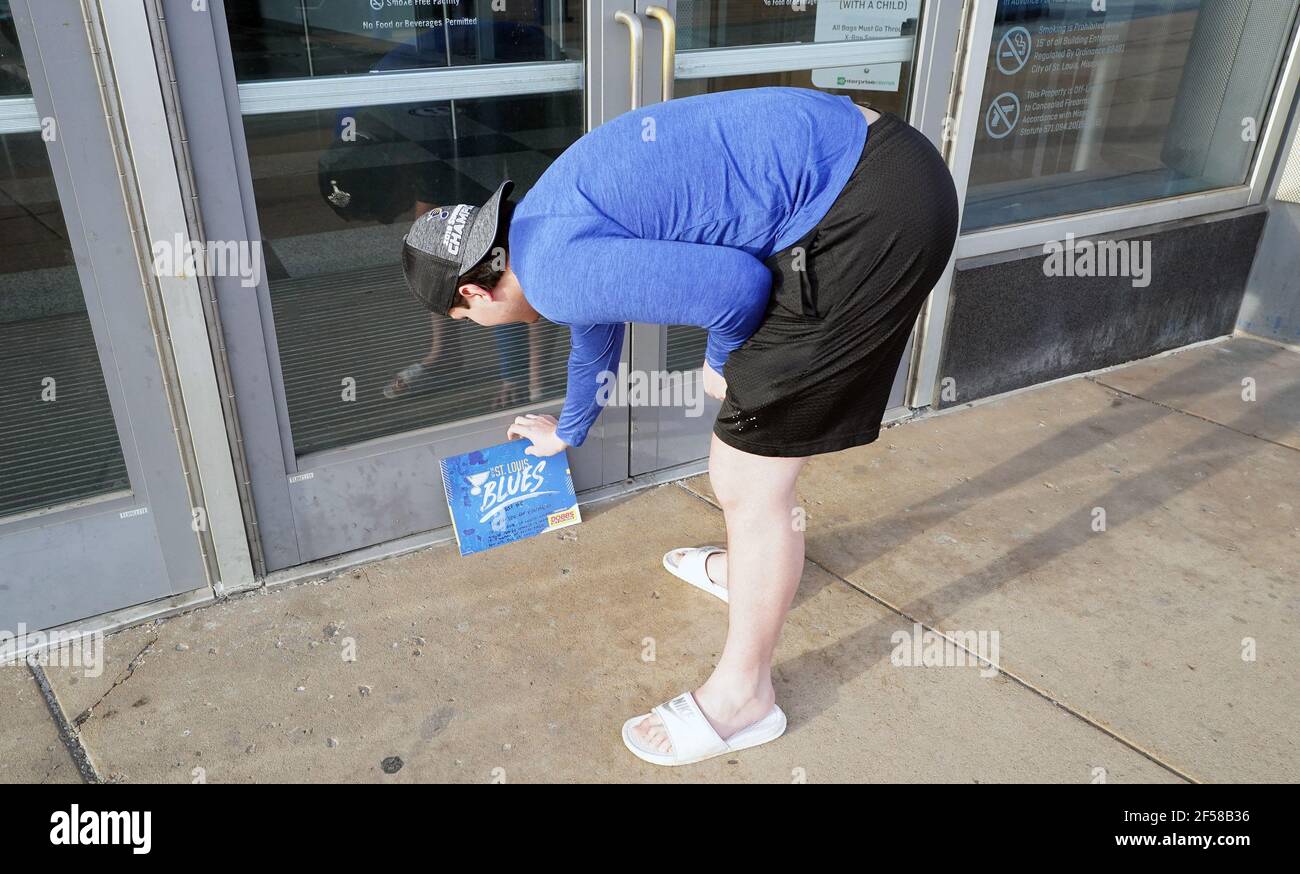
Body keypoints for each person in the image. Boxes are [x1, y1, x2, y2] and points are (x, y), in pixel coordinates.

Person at [400, 87, 959, 766]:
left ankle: (745, 699)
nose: (481, 327)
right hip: (875, 160)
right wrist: (569, 431)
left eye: (468, 323)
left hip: (868, 214)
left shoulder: (551, 271)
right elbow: (594, 332)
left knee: (746, 478)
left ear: (474, 294)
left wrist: (721, 362)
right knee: (748, 467)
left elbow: (737, 290)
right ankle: (752, 570)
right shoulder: (538, 226)